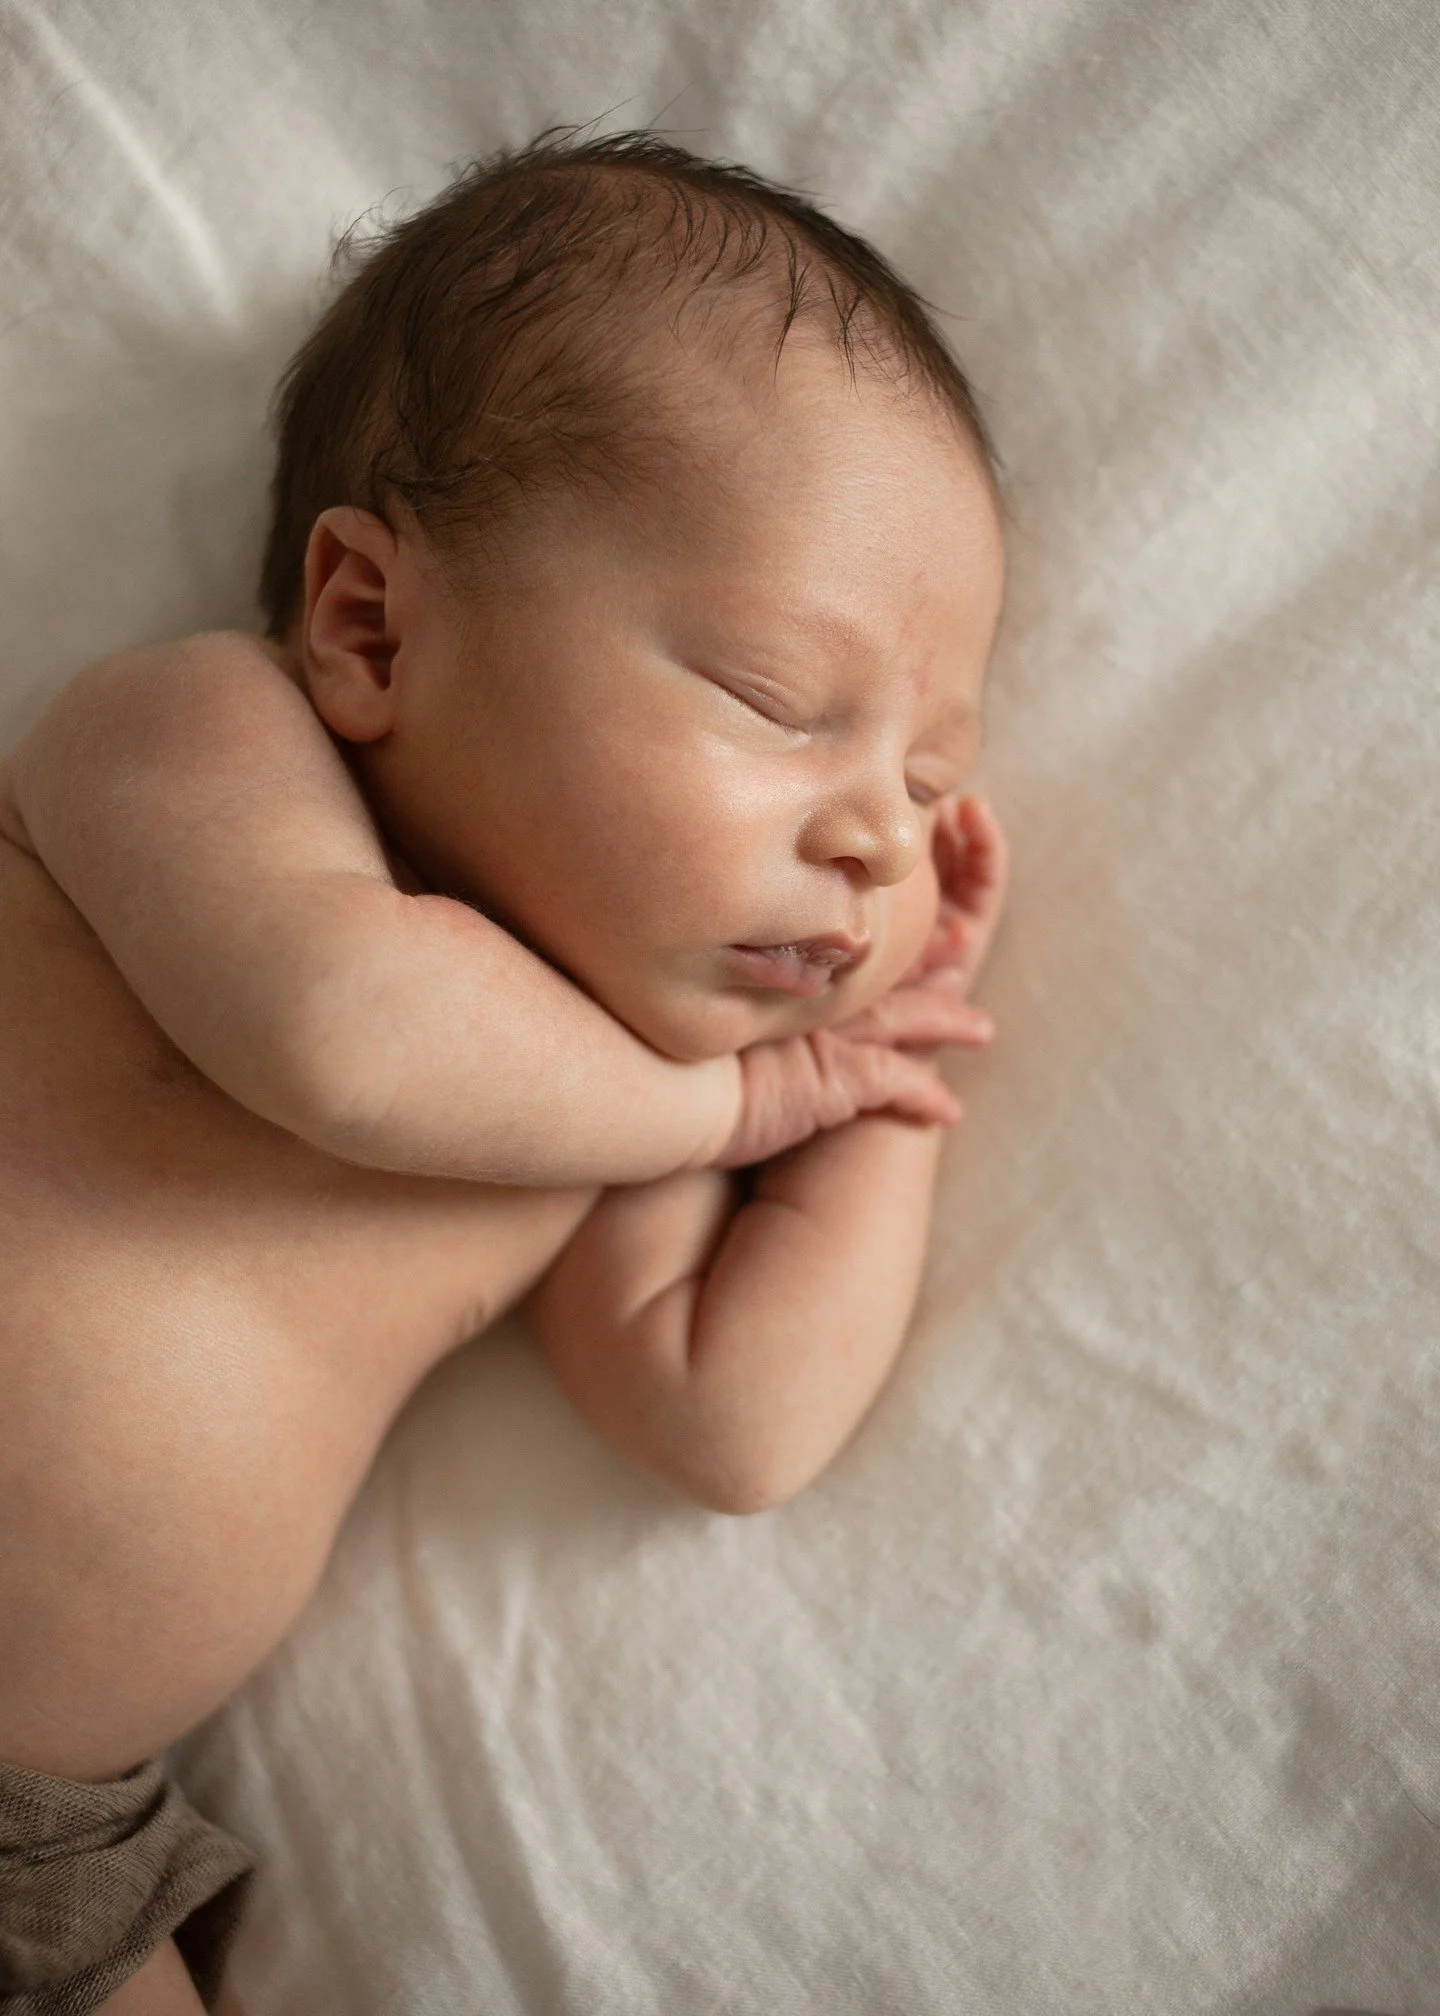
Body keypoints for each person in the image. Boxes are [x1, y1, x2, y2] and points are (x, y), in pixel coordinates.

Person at [0, 132, 1007, 2015]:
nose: (879, 834)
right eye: (785, 706)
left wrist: (872, 1088)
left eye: (931, 783)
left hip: (41, 1846)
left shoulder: (608, 1101)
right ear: (373, 624)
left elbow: (729, 1420)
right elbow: (343, 1034)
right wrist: (733, 1109)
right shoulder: (187, 740)